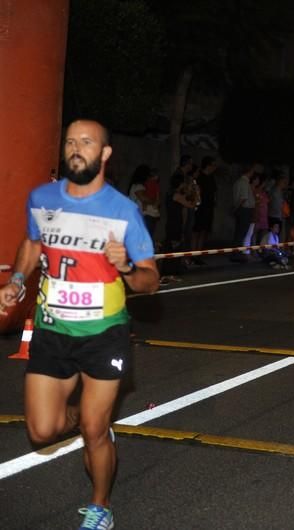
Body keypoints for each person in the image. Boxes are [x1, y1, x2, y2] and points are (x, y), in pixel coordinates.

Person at [0, 120, 159, 530]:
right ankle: (82, 416)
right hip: (53, 331)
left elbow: (150, 280)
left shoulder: (122, 210)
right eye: (71, 141)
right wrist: (17, 280)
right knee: (41, 431)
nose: (76, 148)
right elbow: (33, 242)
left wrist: (123, 265)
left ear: (105, 154)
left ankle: (101, 505)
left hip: (105, 336)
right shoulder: (42, 197)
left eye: (86, 142)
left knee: (95, 429)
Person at [191, 156, 219, 265]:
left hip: (209, 207)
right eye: (213, 165)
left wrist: (215, 200)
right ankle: (192, 254)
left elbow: (215, 191)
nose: (215, 167)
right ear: (208, 165)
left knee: (204, 231)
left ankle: (198, 255)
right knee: (196, 231)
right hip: (200, 207)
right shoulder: (200, 177)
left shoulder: (211, 177)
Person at [230, 163, 259, 263]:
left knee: (239, 232)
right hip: (244, 209)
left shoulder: (238, 182)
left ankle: (236, 253)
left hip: (241, 209)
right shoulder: (244, 182)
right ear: (249, 171)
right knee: (242, 233)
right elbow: (243, 198)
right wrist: (236, 208)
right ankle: (237, 254)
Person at [127, 164, 160, 237]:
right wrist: (155, 201)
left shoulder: (136, 185)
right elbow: (144, 199)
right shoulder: (138, 186)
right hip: (138, 216)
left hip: (137, 215)